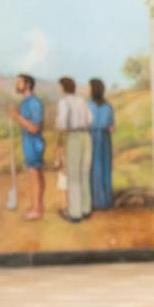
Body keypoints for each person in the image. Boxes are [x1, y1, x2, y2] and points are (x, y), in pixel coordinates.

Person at [6, 73, 46, 221]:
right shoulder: (26, 101)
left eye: (20, 82)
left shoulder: (33, 102)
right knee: (37, 174)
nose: (17, 85)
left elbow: (34, 127)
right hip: (29, 142)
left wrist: (16, 117)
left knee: (34, 175)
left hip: (33, 142)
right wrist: (18, 113)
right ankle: (37, 206)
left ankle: (36, 209)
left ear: (27, 84)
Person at [55, 76, 94, 223]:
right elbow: (90, 120)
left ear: (63, 88)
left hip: (74, 136)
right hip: (86, 136)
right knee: (85, 172)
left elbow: (61, 124)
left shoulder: (64, 102)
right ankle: (86, 209)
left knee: (73, 175)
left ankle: (75, 213)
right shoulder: (82, 100)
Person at [87, 78, 115, 210]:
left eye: (89, 87)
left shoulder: (88, 105)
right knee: (105, 167)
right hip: (105, 139)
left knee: (93, 168)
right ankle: (105, 200)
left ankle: (95, 200)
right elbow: (112, 127)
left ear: (93, 90)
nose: (88, 89)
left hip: (92, 137)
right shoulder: (108, 106)